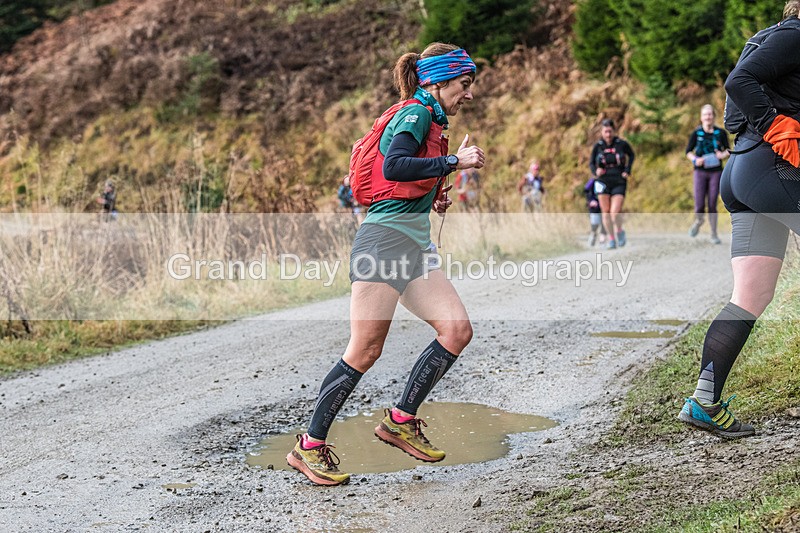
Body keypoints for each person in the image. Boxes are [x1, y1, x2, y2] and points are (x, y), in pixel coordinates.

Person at [287, 43, 485, 486]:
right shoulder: (415, 113)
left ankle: (400, 420)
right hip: (382, 245)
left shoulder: (432, 119)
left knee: (456, 330)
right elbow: (395, 165)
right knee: (365, 349)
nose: (468, 95)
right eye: (464, 85)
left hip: (411, 247)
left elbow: (404, 179)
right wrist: (455, 162)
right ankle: (310, 446)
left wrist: (436, 189)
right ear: (436, 81)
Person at [678, 1, 800, 439]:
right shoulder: (795, 35)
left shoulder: (763, 38)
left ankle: (704, 402)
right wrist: (777, 127)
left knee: (751, 295)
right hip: (774, 168)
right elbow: (738, 82)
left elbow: (732, 113)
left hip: (744, 174)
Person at [686, 105, 731, 244]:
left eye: (710, 114)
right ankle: (699, 221)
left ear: (714, 116)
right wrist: (695, 159)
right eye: (705, 114)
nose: (708, 117)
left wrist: (721, 155)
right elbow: (688, 152)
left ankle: (713, 234)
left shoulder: (721, 133)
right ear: (701, 117)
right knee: (699, 204)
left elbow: (729, 150)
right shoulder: (696, 133)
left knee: (712, 203)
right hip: (700, 172)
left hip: (715, 172)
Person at [588, 119, 634, 249]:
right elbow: (591, 162)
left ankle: (619, 230)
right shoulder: (598, 146)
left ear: (614, 131)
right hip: (603, 181)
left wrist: (627, 170)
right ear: (601, 132)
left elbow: (632, 155)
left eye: (610, 131)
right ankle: (611, 239)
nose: (608, 134)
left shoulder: (621, 144)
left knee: (615, 212)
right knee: (606, 212)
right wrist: (595, 171)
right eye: (605, 131)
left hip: (618, 180)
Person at [584, 177, 607, 246]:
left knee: (605, 223)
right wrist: (590, 201)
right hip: (595, 207)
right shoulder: (592, 181)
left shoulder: (608, 180)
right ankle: (593, 235)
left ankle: (602, 240)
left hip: (605, 206)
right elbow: (586, 190)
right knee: (595, 225)